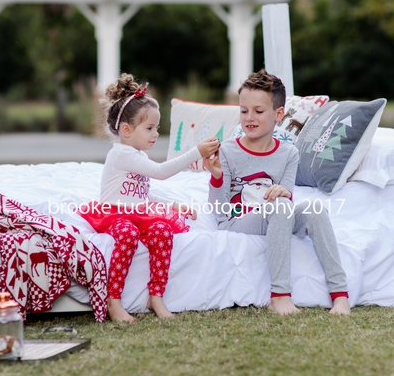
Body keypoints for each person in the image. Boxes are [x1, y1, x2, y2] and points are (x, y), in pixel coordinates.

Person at [203, 69, 351, 316]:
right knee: (281, 207)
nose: (249, 117)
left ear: (279, 114)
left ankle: (340, 295)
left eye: (259, 111)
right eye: (243, 110)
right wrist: (216, 177)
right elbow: (219, 211)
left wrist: (284, 193)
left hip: (276, 215)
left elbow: (287, 198)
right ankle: (280, 295)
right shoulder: (228, 151)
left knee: (315, 210)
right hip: (238, 221)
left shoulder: (289, 153)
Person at [79, 73, 220, 322]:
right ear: (126, 129)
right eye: (149, 128)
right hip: (114, 213)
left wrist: (170, 206)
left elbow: (141, 192)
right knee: (128, 234)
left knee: (162, 232)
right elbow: (160, 172)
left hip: (136, 212)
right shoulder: (122, 154)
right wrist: (195, 152)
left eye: (156, 128)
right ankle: (113, 300)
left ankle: (156, 295)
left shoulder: (138, 154)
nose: (155, 134)